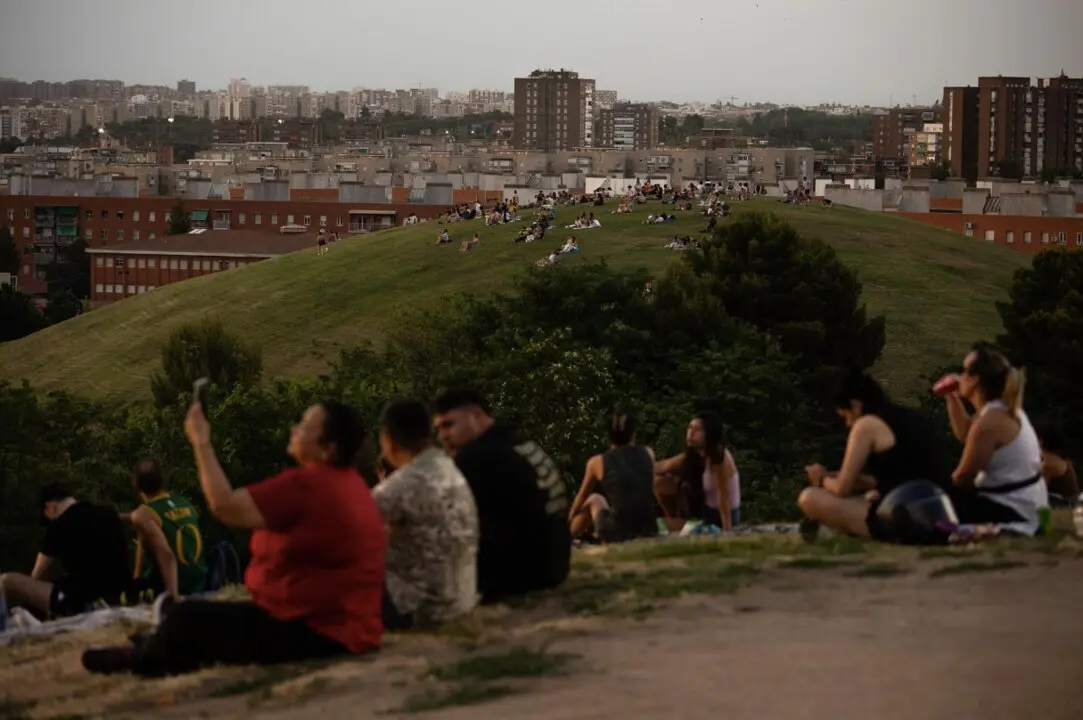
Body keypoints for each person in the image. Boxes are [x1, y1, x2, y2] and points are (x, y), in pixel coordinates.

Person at [82, 400, 386, 677]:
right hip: (344, 624)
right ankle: (156, 645)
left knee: (188, 616)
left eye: (305, 426)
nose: (294, 429)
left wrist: (201, 442)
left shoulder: (307, 485)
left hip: (315, 630)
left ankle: (141, 659)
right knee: (187, 616)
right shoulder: (353, 485)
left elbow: (225, 506)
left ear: (328, 449)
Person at [431, 389, 570, 602]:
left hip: (520, 575)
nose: (443, 436)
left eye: (449, 424)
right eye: (438, 429)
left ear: (476, 416)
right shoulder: (515, 440)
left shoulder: (474, 457)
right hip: (555, 564)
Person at [797, 372, 952, 541]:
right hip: (940, 511)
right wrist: (855, 480)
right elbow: (901, 477)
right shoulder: (907, 417)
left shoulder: (866, 425)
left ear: (855, 405)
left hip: (906, 518)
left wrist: (820, 479)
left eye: (845, 416)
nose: (848, 424)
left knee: (809, 497)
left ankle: (836, 531)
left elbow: (842, 488)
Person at [374, 400, 479, 629]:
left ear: (388, 440)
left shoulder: (397, 487)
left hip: (420, 608)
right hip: (461, 596)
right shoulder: (450, 468)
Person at [939, 346, 1048, 534]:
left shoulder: (989, 422)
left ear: (974, 379)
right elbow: (966, 433)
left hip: (1012, 509)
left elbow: (963, 478)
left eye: (964, 371)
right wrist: (951, 396)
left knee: (927, 503)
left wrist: (936, 493)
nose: (959, 376)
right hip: (1027, 505)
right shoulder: (1001, 409)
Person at [0, 484, 131, 619]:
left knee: (8, 581)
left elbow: (38, 574)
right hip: (122, 593)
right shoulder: (109, 513)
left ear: (50, 506)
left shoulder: (59, 525)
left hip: (84, 601)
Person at [124, 459, 207, 599]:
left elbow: (166, 555)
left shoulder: (145, 513)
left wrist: (172, 598)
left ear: (135, 484)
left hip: (176, 586)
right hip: (200, 581)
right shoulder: (184, 502)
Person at [569, 412, 658, 543]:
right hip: (648, 528)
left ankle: (562, 539)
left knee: (594, 499)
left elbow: (581, 497)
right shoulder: (648, 453)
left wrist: (570, 517)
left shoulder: (597, 462)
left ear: (607, 436)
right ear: (633, 434)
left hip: (618, 532)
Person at [654, 412, 741, 531]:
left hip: (723, 515)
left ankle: (680, 529)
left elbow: (723, 498)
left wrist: (727, 531)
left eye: (697, 430)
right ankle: (676, 526)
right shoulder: (694, 456)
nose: (691, 433)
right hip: (706, 512)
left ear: (709, 434)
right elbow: (665, 466)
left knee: (660, 527)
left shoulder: (720, 457)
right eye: (689, 428)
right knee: (660, 481)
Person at [1035, 423, 1078, 506]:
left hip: (1062, 504)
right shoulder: (1058, 458)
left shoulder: (1047, 459)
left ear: (1040, 441)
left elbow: (1038, 490)